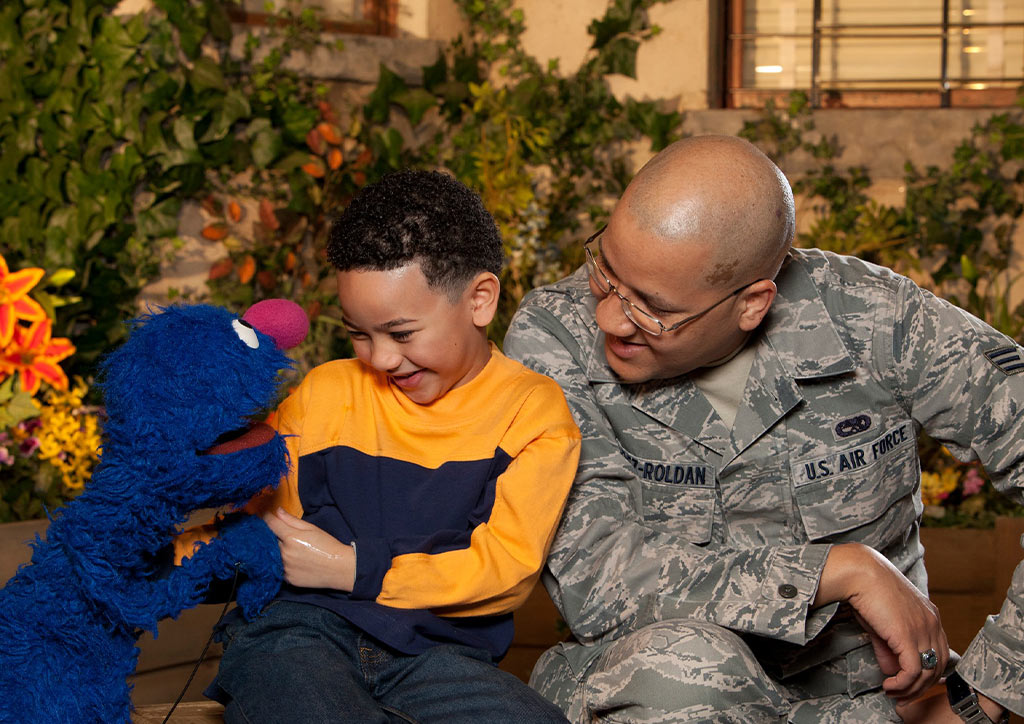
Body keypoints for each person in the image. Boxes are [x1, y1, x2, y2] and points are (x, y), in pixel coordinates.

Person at [503, 134, 1023, 723]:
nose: (607, 316)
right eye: (605, 269)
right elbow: (596, 577)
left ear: (752, 303)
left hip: (877, 701)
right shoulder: (556, 338)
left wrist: (989, 692)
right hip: (658, 694)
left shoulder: (874, 318)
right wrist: (838, 570)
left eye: (653, 308)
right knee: (686, 666)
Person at [177, 169, 581, 723]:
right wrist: (150, 554)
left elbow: (504, 569)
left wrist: (352, 569)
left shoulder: (532, 412)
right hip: (298, 631)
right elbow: (260, 523)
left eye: (401, 333)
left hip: (440, 655)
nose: (380, 359)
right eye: (358, 333)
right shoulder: (325, 392)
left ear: (480, 300)